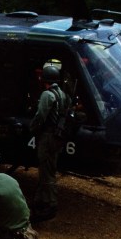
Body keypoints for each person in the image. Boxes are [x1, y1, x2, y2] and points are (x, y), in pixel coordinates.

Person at [29, 62, 72, 222]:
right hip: (58, 137)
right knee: (49, 169)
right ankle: (40, 201)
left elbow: (40, 116)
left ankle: (49, 204)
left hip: (48, 136)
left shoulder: (48, 95)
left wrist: (32, 129)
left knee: (46, 172)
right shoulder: (62, 94)